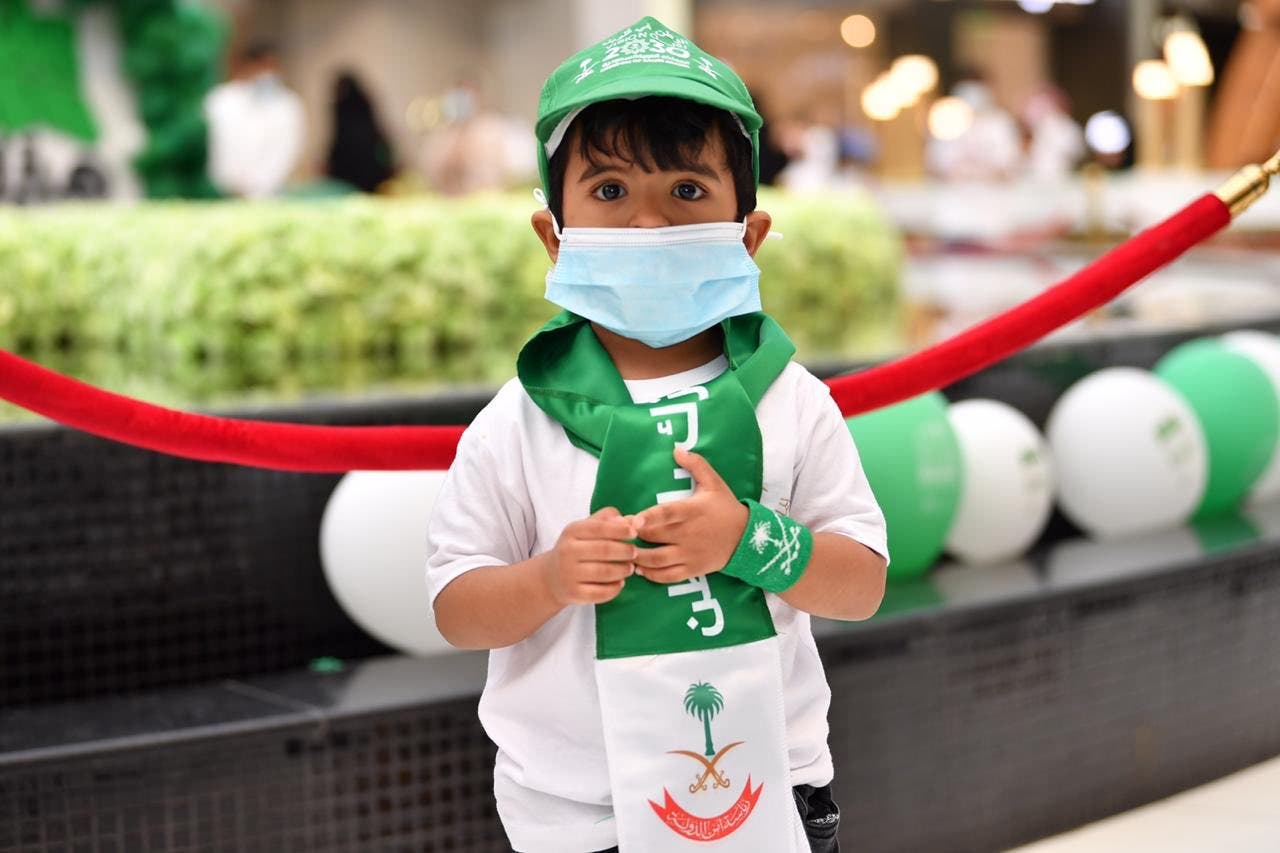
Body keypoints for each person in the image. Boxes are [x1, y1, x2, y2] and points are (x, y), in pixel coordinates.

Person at [425, 17, 887, 853]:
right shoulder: (517, 422)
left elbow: (861, 584)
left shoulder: (792, 400)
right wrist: (549, 578)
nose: (647, 224)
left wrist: (751, 539)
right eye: (608, 191)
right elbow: (458, 608)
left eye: (686, 191)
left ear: (749, 234)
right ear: (552, 235)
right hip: (579, 818)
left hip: (772, 790)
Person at [203, 41, 305, 198]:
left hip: (269, 193)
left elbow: (288, 148)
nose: (266, 73)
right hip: (221, 190)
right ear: (247, 65)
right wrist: (229, 181)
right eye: (262, 65)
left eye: (271, 67)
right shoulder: (221, 100)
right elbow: (214, 144)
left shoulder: (288, 104)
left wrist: (261, 183)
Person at [324, 71, 395, 193]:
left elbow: (339, 139)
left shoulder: (342, 107)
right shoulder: (363, 102)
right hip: (369, 168)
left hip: (351, 168)